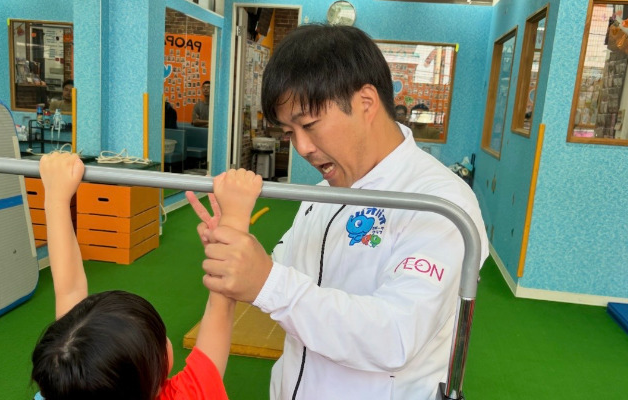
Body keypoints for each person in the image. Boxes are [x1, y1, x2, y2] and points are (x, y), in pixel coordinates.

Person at [188, 24, 488, 400]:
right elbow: (286, 270)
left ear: (366, 103)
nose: (302, 147)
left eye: (309, 125)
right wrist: (237, 253)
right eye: (289, 132)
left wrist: (265, 280)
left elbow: (395, 336)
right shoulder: (322, 194)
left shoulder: (442, 202)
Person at [31, 153, 262, 399]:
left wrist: (56, 197)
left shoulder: (62, 386)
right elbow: (221, 309)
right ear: (157, 367)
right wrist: (234, 219)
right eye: (161, 339)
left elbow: (70, 291)